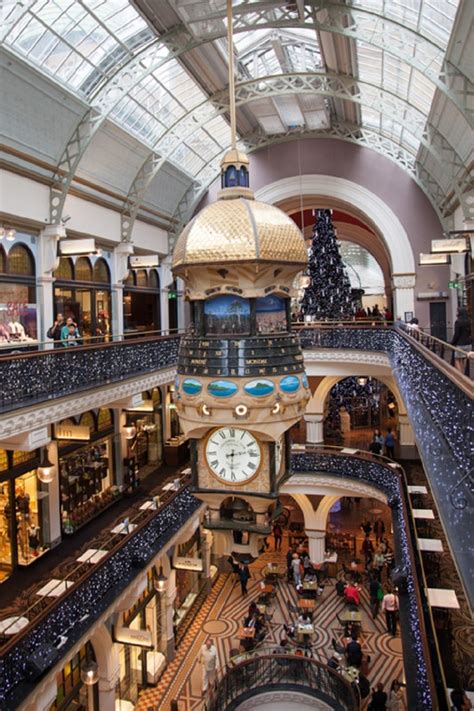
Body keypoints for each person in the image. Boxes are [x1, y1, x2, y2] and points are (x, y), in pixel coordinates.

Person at [451, 308, 472, 372]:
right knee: (465, 359)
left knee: (457, 359)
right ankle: (464, 373)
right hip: (468, 343)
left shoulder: (458, 322)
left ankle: (461, 374)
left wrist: (453, 342)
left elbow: (457, 334)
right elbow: (469, 332)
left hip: (460, 344)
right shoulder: (468, 321)